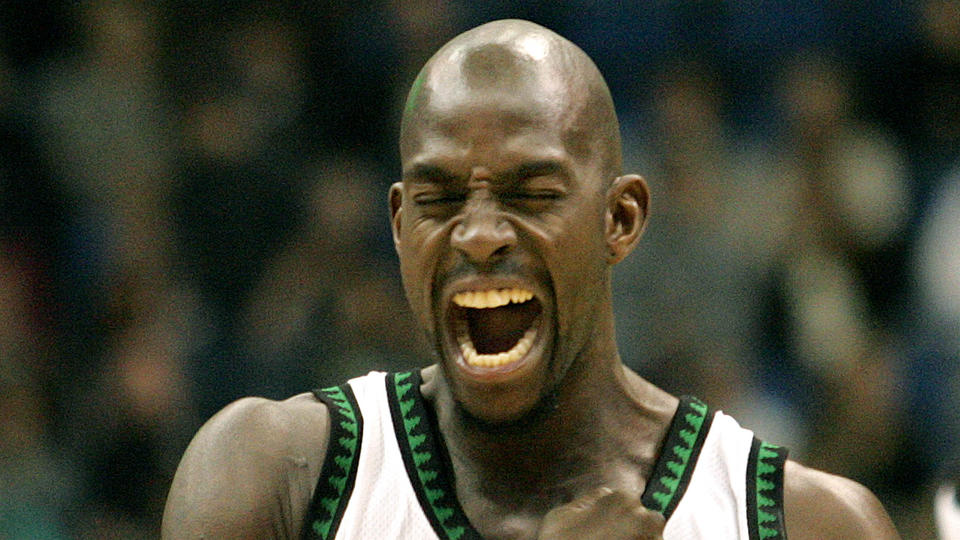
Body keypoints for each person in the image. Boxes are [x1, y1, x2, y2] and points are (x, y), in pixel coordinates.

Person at [162, 20, 900, 539]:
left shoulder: (807, 524)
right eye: (440, 200)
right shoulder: (271, 476)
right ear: (399, 225)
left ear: (621, 219)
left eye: (533, 195)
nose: (480, 235)